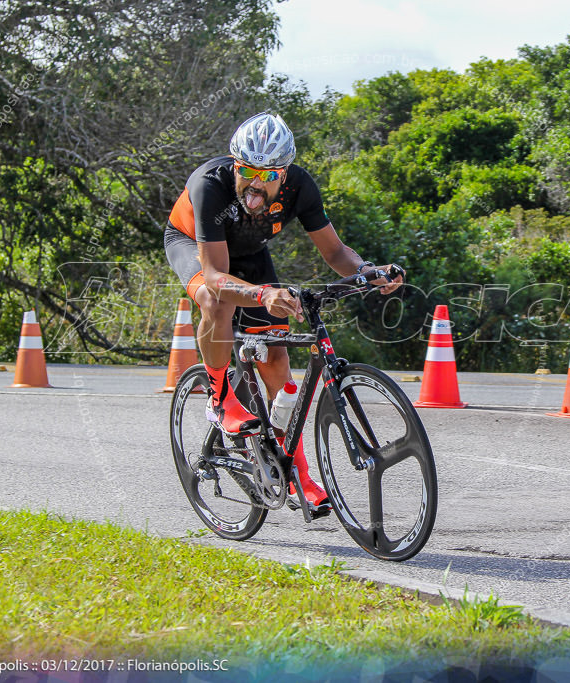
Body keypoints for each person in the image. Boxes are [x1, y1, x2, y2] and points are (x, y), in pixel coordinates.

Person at [164, 112, 403, 510]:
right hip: (194, 247)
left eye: (269, 175)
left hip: (250, 256)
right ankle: (220, 397)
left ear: (285, 174)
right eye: (247, 171)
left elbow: (336, 252)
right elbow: (215, 274)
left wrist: (367, 272)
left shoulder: (300, 187)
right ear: (235, 164)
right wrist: (262, 296)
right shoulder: (210, 185)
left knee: (276, 356)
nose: (255, 185)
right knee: (214, 298)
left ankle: (296, 475)